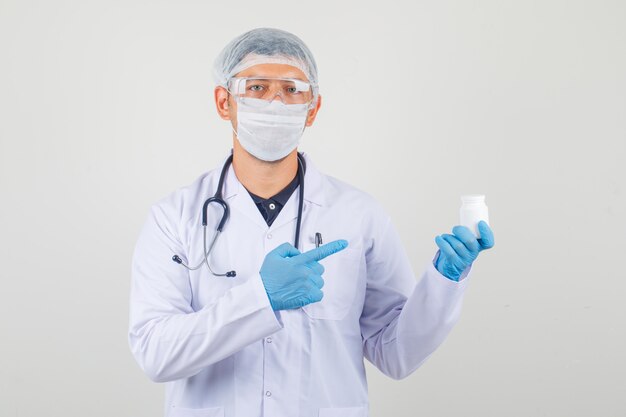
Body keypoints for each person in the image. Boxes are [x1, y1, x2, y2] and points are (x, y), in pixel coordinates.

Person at [128, 28, 495, 417]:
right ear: (224, 102)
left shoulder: (359, 215)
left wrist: (444, 282)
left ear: (313, 108)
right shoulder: (174, 217)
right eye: (255, 87)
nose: (274, 102)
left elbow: (396, 355)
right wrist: (260, 299)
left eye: (291, 89)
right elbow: (156, 354)